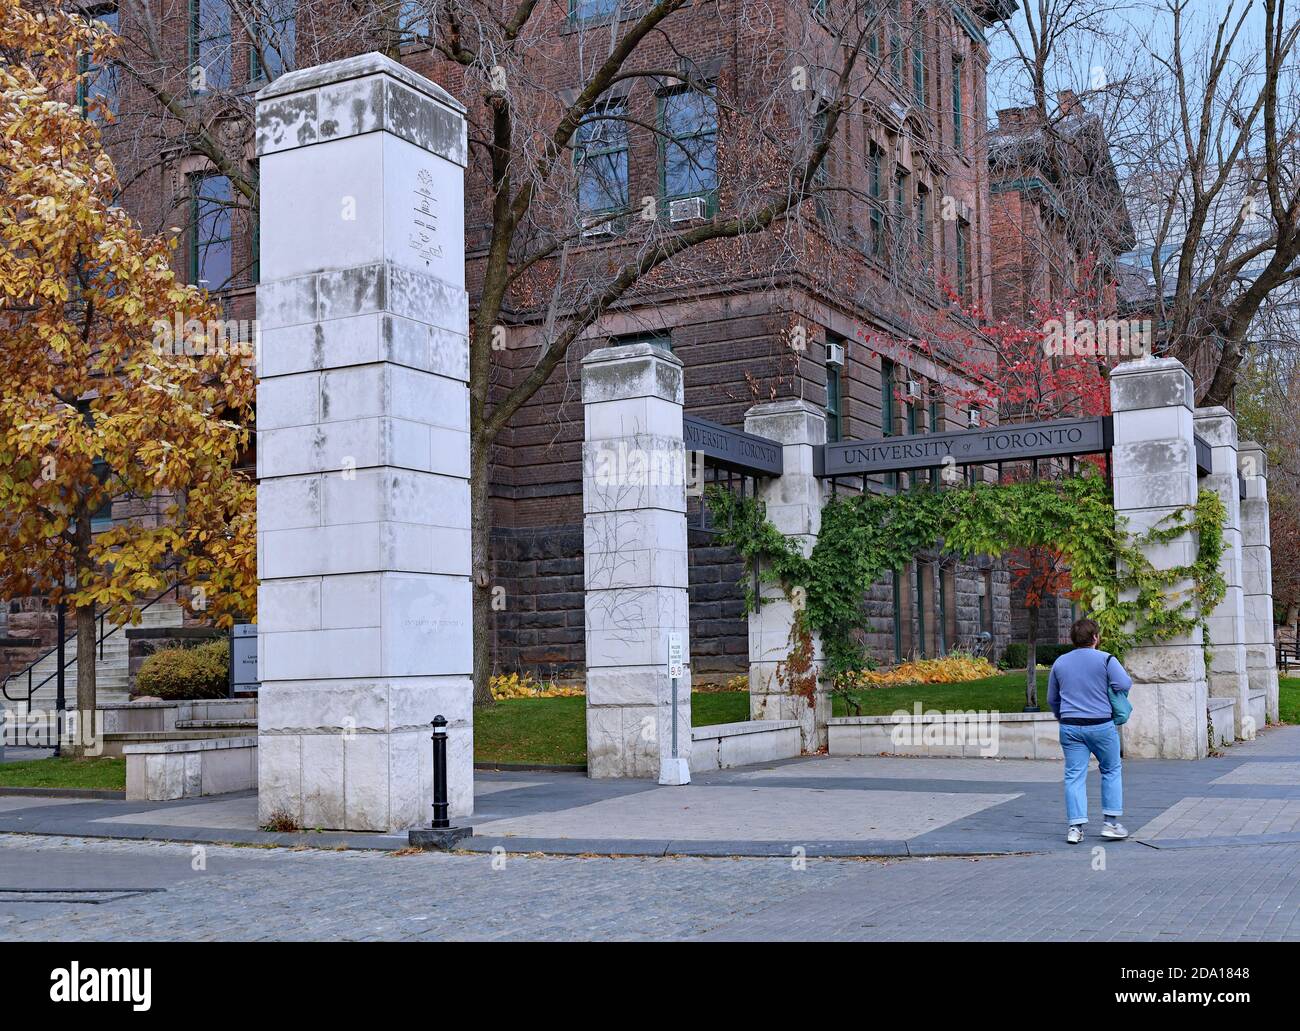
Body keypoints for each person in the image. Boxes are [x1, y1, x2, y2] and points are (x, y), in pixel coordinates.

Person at [1046, 618, 1132, 844]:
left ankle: (1075, 828)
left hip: (1070, 726)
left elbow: (1052, 698)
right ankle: (1111, 824)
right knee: (1111, 770)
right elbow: (1124, 684)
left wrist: (1062, 716)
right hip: (1101, 725)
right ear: (1095, 637)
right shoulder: (1106, 660)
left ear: (1073, 639)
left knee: (1074, 776)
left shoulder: (1060, 663)